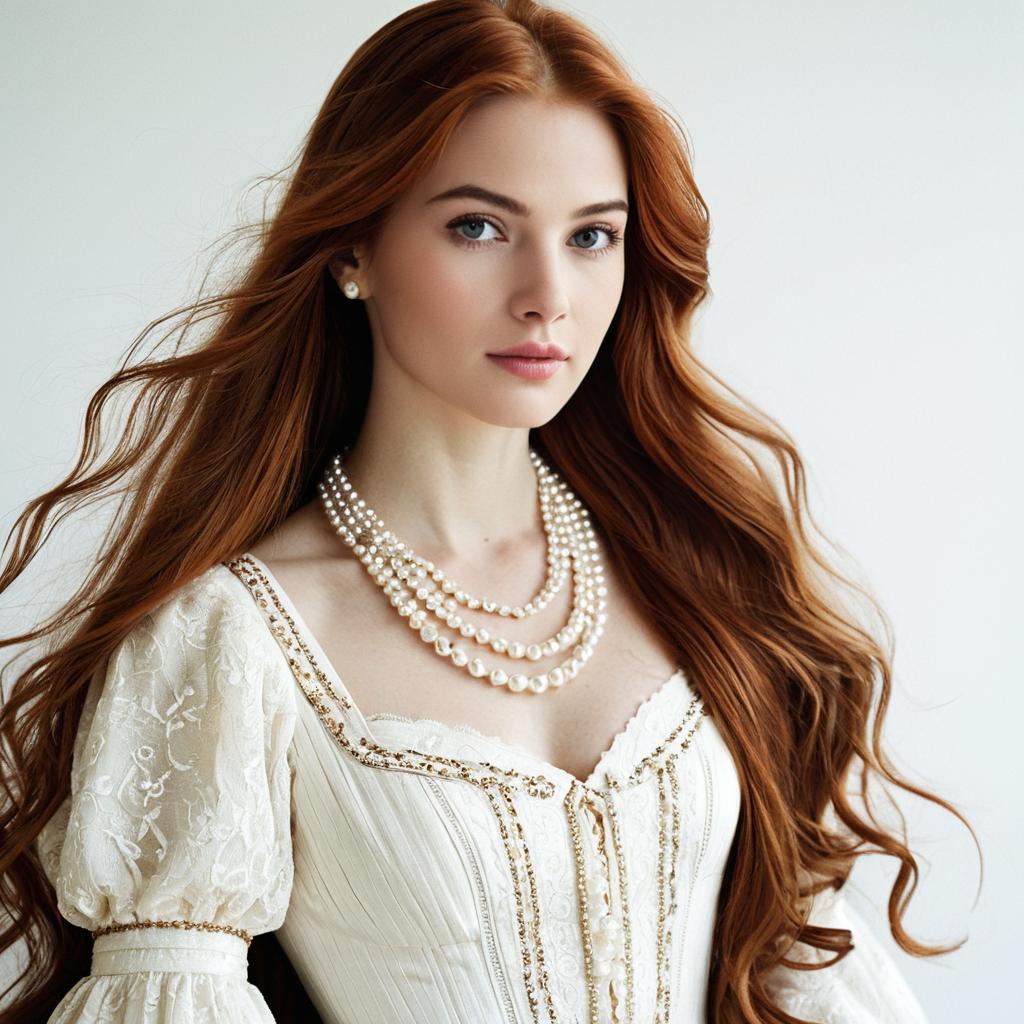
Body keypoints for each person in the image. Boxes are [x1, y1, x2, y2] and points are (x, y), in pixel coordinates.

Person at [0, 1, 976, 1021]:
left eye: (593, 235)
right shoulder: (227, 639)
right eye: (478, 226)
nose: (548, 294)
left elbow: (806, 963)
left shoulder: (695, 572)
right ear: (352, 251)